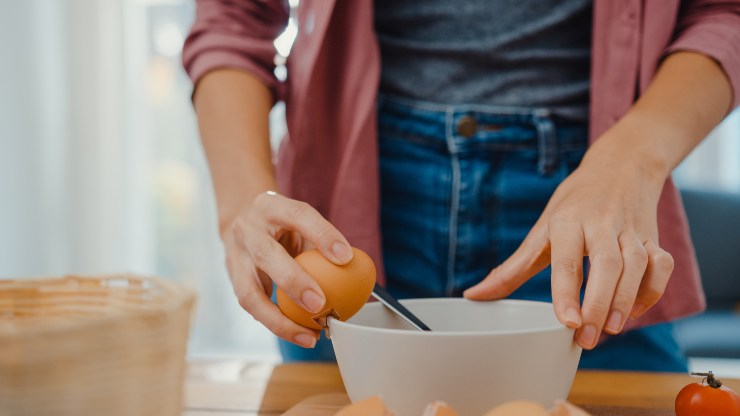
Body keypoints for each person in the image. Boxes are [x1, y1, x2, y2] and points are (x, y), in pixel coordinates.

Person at [182, 0, 740, 371]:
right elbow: (233, 19)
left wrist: (632, 157)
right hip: (349, 199)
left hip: (588, 204)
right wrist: (244, 205)